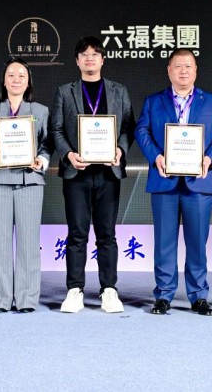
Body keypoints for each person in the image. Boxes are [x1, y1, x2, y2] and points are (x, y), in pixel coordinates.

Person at [135, 49, 212, 316]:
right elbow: (141, 130)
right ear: (169, 70)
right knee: (164, 242)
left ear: (196, 70)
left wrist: (210, 159)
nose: (183, 71)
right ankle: (163, 295)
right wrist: (155, 156)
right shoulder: (153, 101)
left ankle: (198, 296)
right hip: (164, 180)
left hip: (199, 182)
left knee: (197, 242)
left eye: (188, 66)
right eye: (178, 66)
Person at [49, 36, 134, 313]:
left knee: (107, 235)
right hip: (77, 172)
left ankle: (109, 289)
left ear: (102, 59)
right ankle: (75, 290)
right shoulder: (65, 92)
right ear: (77, 61)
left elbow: (128, 127)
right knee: (77, 234)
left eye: (95, 54)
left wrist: (120, 149)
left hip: (108, 173)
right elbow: (56, 129)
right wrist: (68, 155)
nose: (89, 58)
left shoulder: (119, 91)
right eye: (84, 54)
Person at [0, 58, 51, 313]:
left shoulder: (40, 111)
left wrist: (41, 161)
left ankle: (27, 299)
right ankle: (0, 299)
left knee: (29, 243)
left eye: (22, 75)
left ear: (28, 81)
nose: (16, 79)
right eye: (11, 74)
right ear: (4, 80)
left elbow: (47, 144)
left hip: (30, 180)